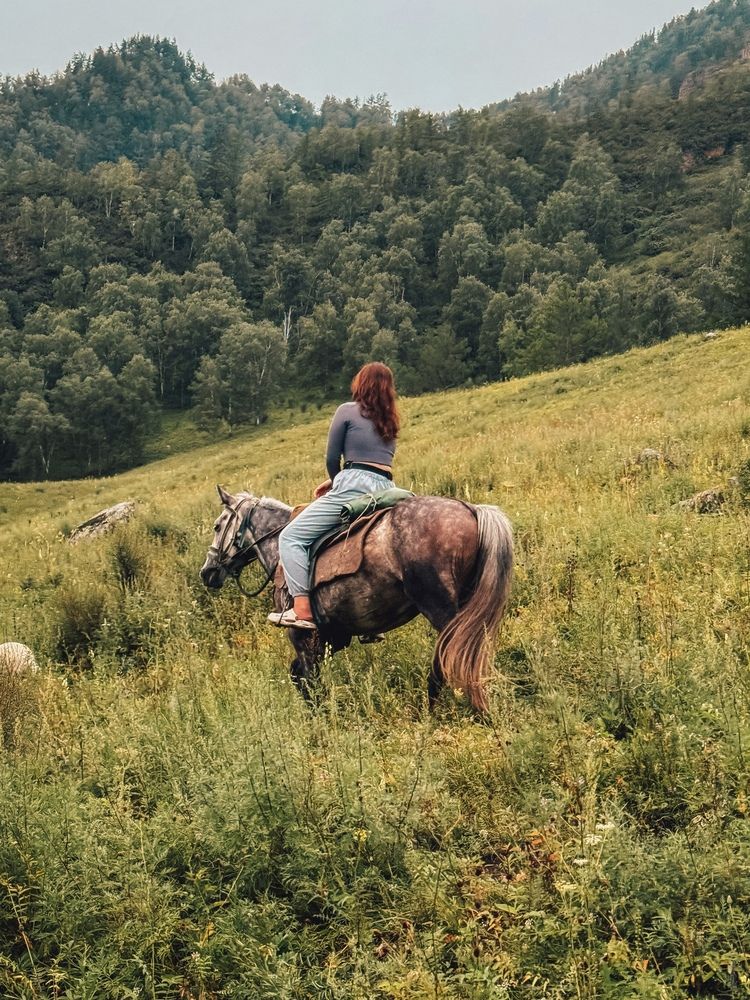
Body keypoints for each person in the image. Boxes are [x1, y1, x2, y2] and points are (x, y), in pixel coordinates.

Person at [268, 362, 400, 630]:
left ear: (361, 383)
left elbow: (332, 458)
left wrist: (336, 480)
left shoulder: (347, 411)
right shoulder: (390, 420)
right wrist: (337, 479)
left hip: (353, 487)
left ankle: (302, 609)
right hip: (387, 489)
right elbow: (374, 464)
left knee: (291, 537)